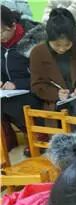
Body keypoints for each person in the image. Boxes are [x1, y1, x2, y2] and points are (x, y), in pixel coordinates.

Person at [30, 8, 76, 110]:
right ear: (49, 39)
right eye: (57, 45)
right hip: (56, 105)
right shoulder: (38, 53)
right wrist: (57, 93)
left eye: (67, 44)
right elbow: (37, 85)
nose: (62, 49)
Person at [1, 5, 45, 151]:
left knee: (12, 103)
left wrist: (17, 84)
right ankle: (6, 140)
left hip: (34, 91)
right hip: (10, 91)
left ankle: (38, 135)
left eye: (1, 32)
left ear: (13, 25)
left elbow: (44, 76)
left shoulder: (33, 42)